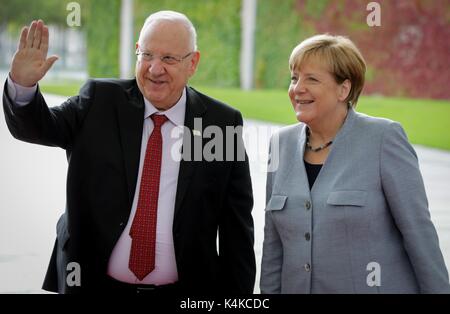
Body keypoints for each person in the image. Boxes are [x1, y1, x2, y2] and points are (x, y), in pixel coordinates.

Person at [3, 11, 255, 294]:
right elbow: (40, 128)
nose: (155, 69)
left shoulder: (219, 123)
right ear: (137, 52)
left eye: (169, 59)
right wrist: (23, 86)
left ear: (193, 63)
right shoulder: (99, 100)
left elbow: (237, 231)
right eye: (147, 55)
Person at [260, 34, 450, 293]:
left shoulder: (383, 138)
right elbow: (273, 245)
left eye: (311, 79)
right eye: (294, 78)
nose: (297, 88)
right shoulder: (279, 143)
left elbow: (419, 235)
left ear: (344, 89)